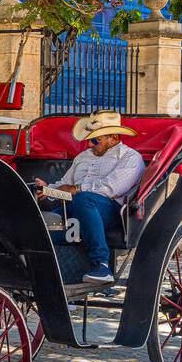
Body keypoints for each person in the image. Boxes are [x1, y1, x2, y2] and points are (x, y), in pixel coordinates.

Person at [35, 111, 145, 284]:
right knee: (42, 221)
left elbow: (111, 188)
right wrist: (47, 189)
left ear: (114, 138)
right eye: (89, 139)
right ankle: (45, 268)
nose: (90, 144)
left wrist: (75, 189)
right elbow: (64, 183)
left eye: (95, 140)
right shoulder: (82, 157)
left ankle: (101, 264)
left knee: (84, 199)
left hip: (110, 210)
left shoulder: (130, 157)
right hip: (75, 206)